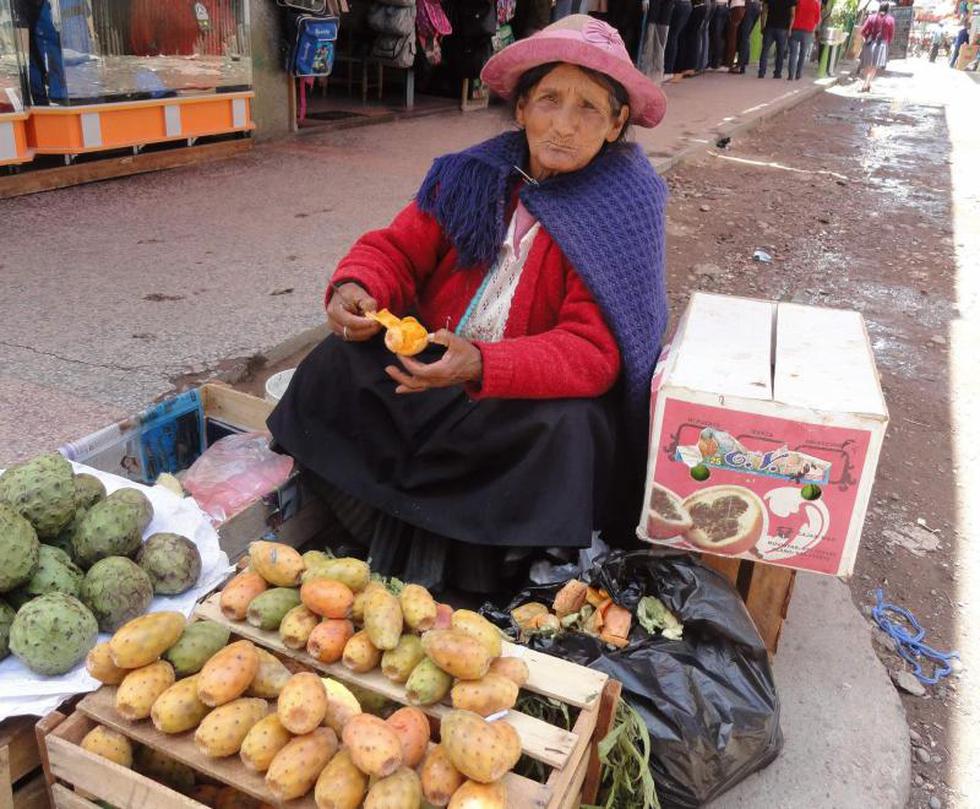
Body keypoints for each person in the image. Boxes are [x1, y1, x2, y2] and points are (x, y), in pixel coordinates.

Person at [268, 15, 670, 595]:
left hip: (517, 396)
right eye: (550, 100)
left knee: (572, 429)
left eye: (588, 108)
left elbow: (595, 351)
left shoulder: (623, 208)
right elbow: (398, 249)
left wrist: (484, 364)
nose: (563, 125)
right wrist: (358, 286)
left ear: (616, 124)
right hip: (437, 368)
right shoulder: (474, 176)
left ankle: (474, 564)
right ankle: (369, 515)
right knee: (339, 360)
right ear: (523, 107)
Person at [859, 3, 894, 92]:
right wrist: (886, 44)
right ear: (888, 9)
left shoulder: (871, 17)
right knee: (874, 67)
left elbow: (863, 31)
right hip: (882, 45)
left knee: (868, 65)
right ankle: (866, 84)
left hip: (870, 43)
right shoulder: (890, 20)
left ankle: (867, 84)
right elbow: (890, 36)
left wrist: (865, 38)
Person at [758, 0, 797, 78]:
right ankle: (777, 73)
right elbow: (793, 15)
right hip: (783, 29)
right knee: (780, 52)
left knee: (765, 50)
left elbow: (764, 12)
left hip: (770, 27)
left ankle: (761, 72)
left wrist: (762, 26)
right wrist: (790, 29)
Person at [786, 0, 819, 79]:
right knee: (803, 54)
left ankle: (790, 75)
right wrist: (813, 32)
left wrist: (789, 29)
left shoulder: (798, 1)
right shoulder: (816, 4)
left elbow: (793, 15)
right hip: (808, 32)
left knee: (793, 53)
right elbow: (817, 20)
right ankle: (798, 74)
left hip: (795, 29)